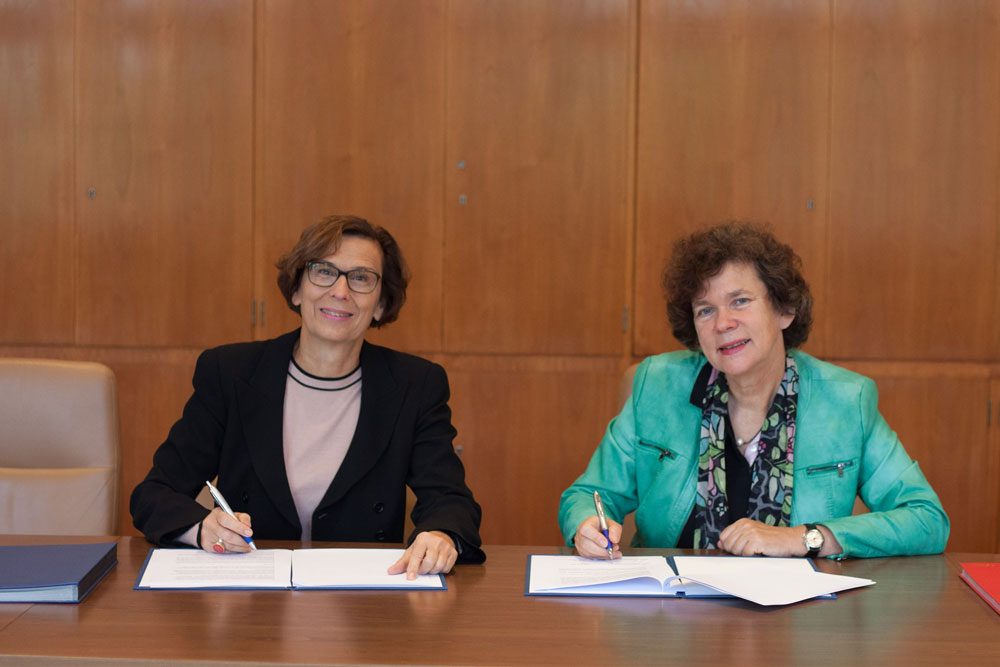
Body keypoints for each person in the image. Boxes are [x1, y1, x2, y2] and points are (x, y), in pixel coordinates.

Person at [559, 222, 949, 560]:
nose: (723, 323)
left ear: (784, 311)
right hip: (673, 618)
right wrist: (587, 525)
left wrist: (808, 538)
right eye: (705, 310)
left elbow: (926, 518)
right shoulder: (657, 385)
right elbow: (589, 494)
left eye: (740, 301)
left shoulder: (846, 401)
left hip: (799, 624)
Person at [131, 215, 485, 577]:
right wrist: (204, 528)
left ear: (381, 304)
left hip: (364, 602)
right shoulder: (230, 373)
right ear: (297, 290)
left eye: (361, 278)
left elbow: (450, 499)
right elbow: (155, 494)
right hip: (250, 594)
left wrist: (440, 534)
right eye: (323, 271)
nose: (341, 291)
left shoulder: (415, 385)